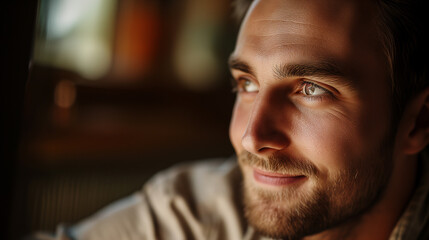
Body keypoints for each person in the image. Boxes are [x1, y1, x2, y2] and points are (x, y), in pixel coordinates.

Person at [31, 0, 428, 239]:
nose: (252, 138)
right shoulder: (195, 212)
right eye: (247, 83)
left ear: (418, 122)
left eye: (311, 89)